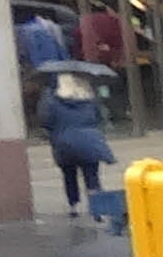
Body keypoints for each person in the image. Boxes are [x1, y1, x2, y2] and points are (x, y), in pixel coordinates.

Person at [36, 70, 113, 218]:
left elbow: (46, 121)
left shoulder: (51, 99)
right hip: (89, 141)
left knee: (69, 175)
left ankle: (74, 206)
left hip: (64, 143)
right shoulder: (89, 97)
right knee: (92, 176)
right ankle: (97, 209)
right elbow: (99, 116)